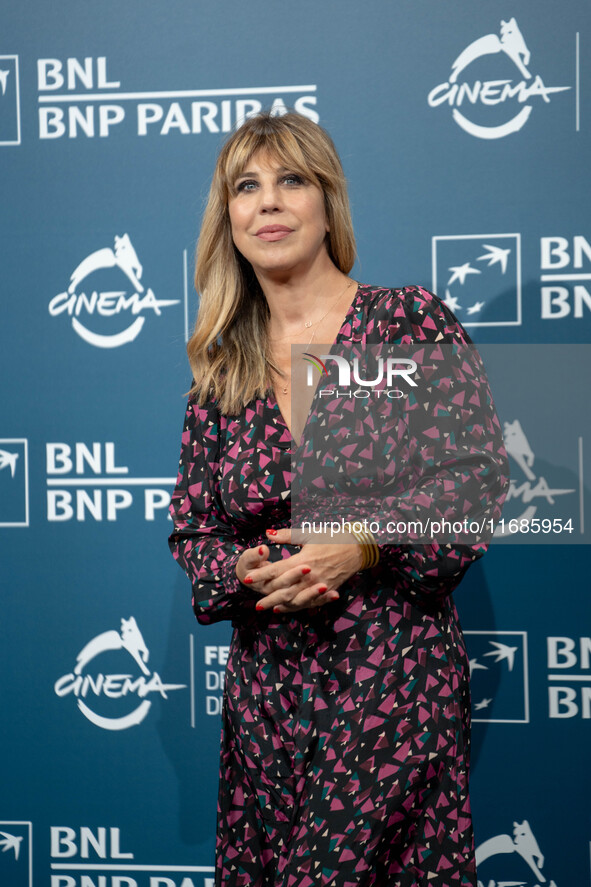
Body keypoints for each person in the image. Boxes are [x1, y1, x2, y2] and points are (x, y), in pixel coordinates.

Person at [169, 111, 509, 887]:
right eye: (246, 187)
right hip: (267, 698)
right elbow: (194, 530)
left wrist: (362, 542)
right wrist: (247, 568)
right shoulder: (220, 372)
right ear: (229, 220)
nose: (269, 202)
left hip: (392, 678)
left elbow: (473, 479)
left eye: (291, 180)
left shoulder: (404, 322)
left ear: (327, 203)